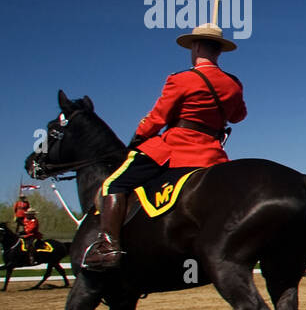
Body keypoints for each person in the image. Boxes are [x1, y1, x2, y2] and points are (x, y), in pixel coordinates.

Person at [83, 23, 246, 270]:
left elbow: (158, 117)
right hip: (212, 154)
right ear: (219, 51)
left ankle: (109, 246)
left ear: (196, 46)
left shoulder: (182, 80)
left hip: (176, 149)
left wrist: (137, 138)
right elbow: (238, 116)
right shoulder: (233, 84)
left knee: (112, 184)